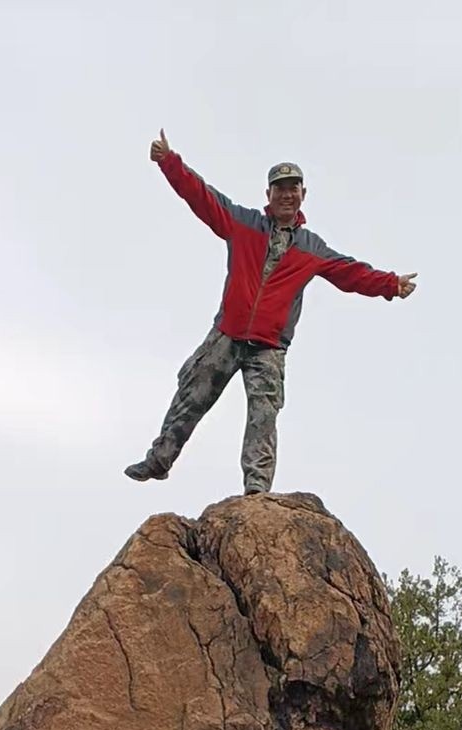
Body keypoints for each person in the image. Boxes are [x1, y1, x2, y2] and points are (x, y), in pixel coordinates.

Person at [125, 130, 418, 495]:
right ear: (269, 195)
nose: (287, 194)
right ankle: (159, 460)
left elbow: (351, 273)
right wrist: (170, 162)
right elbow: (202, 197)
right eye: (280, 188)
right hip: (228, 334)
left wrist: (390, 284)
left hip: (268, 348)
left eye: (293, 188)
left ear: (303, 195)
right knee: (191, 396)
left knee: (264, 417)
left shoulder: (313, 248)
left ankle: (257, 489)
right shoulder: (243, 224)